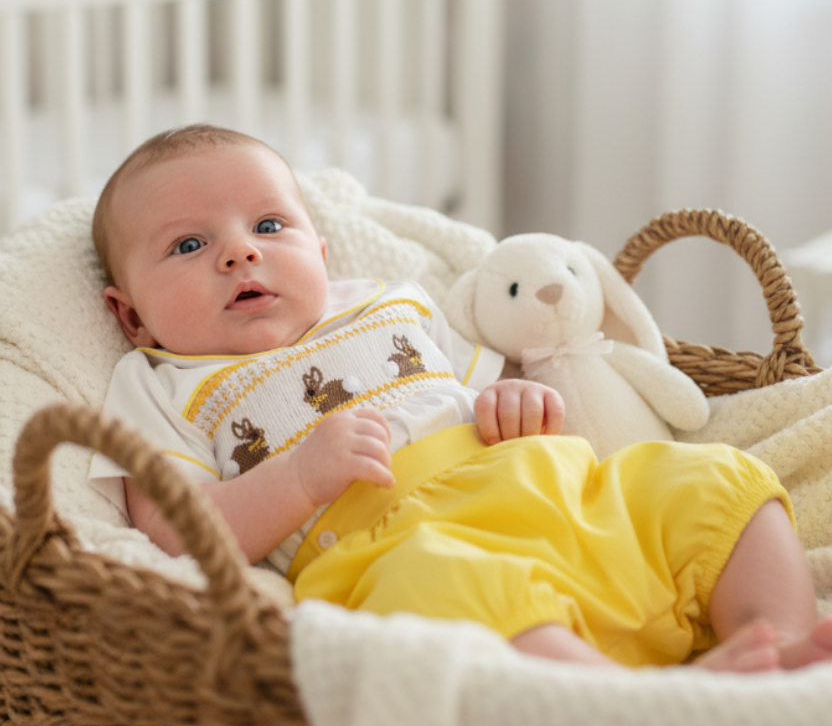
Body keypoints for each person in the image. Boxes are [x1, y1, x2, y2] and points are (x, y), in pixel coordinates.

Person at [88, 123, 832, 673]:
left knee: (707, 478)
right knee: (450, 594)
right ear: (130, 315)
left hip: (552, 495)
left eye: (270, 225)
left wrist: (514, 404)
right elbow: (173, 536)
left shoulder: (391, 304)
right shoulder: (158, 384)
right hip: (392, 544)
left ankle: (775, 646)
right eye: (189, 245)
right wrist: (298, 479)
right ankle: (632, 702)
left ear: (320, 252)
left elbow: (494, 388)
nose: (239, 251)